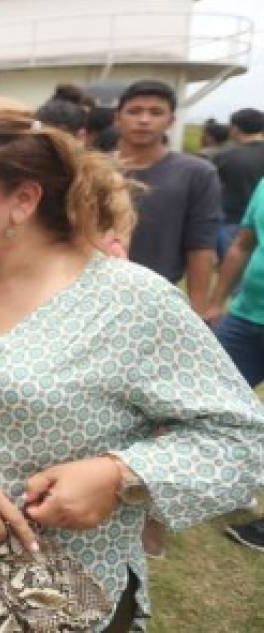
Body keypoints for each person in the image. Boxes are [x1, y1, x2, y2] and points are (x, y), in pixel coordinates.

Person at [0, 116, 264, 632]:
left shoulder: (131, 302)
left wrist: (117, 477)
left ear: (23, 200)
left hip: (54, 600)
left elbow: (240, 441)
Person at [116, 80, 221, 317]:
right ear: (117, 118)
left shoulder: (197, 173)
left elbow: (201, 244)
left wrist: (196, 310)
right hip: (94, 294)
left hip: (158, 297)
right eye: (134, 111)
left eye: (156, 112)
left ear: (171, 120)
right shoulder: (93, 169)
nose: (144, 120)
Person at [206, 175, 264, 551]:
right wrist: (217, 300)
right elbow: (243, 244)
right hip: (247, 318)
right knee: (207, 401)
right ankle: (228, 482)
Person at [213, 108, 264, 259]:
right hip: (261, 220)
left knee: (234, 268)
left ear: (234, 128)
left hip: (233, 221)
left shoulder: (225, 157)